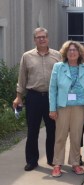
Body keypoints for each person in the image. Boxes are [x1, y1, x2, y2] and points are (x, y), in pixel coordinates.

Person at [12, 27, 61, 171]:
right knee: (33, 130)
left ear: (48, 38)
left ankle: (52, 159)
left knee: (52, 130)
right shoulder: (27, 56)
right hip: (33, 97)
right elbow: (22, 78)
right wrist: (18, 97)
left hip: (52, 98)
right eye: (38, 37)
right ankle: (32, 160)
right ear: (34, 40)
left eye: (44, 36)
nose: (42, 39)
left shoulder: (57, 55)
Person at [49, 41, 84, 177]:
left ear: (79, 52)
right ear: (65, 53)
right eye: (69, 50)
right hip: (63, 106)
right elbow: (52, 89)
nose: (72, 52)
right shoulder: (58, 67)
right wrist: (52, 108)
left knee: (76, 136)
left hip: (79, 107)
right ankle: (57, 164)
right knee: (60, 136)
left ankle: (75, 163)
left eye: (74, 50)